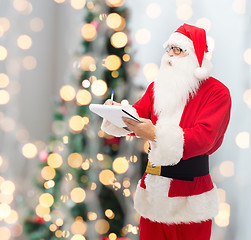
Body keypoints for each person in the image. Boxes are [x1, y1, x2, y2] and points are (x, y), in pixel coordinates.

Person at [101, 23, 231, 240]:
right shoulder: (157, 88)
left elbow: (204, 138)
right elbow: (138, 116)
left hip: (191, 200)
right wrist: (118, 114)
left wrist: (154, 134)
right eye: (168, 49)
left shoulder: (217, 93)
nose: (169, 55)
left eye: (177, 50)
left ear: (194, 55)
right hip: (154, 194)